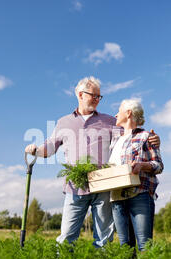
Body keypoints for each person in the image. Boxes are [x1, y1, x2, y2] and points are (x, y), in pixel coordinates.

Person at [25, 76, 161, 248]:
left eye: (99, 97)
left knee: (104, 239)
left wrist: (153, 139)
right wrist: (35, 150)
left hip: (102, 185)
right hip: (74, 186)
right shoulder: (63, 122)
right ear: (81, 95)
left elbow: (131, 132)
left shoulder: (109, 121)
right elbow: (50, 147)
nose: (97, 100)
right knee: (67, 236)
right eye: (94, 96)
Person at [109, 99, 164, 252]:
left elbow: (159, 165)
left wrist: (141, 166)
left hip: (139, 194)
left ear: (128, 113)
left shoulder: (146, 136)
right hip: (117, 197)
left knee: (144, 247)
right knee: (125, 248)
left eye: (119, 110)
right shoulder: (114, 140)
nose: (115, 114)